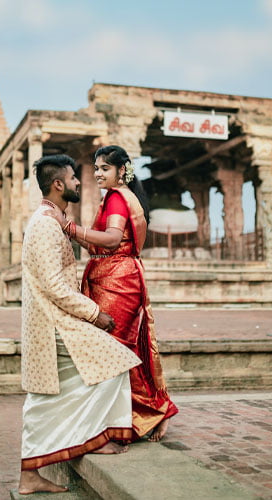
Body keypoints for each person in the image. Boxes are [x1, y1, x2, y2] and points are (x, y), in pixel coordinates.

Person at [19, 154, 141, 495]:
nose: (79, 183)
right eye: (73, 178)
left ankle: (73, 447)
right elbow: (54, 286)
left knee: (70, 386)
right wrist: (95, 315)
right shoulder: (44, 224)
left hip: (56, 322)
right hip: (53, 325)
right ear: (58, 184)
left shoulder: (53, 220)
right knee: (113, 363)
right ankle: (92, 439)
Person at [47, 146, 178, 443]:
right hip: (114, 275)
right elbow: (101, 244)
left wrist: (70, 227)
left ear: (122, 171)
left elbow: (113, 239)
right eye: (96, 168)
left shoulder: (119, 197)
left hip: (118, 280)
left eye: (104, 168)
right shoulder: (117, 197)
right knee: (119, 351)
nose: (97, 174)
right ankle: (137, 414)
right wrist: (69, 233)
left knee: (114, 351)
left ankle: (146, 413)